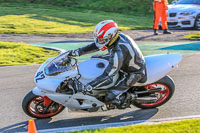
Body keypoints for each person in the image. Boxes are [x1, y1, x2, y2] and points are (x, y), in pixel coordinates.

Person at [69, 20, 146, 105]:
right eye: (98, 39)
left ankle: (121, 99)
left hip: (133, 72)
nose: (99, 42)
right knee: (95, 58)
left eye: (102, 40)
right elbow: (97, 45)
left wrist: (90, 86)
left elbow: (108, 75)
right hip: (124, 62)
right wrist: (77, 52)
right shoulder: (115, 38)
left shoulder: (118, 51)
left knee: (109, 96)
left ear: (111, 36)